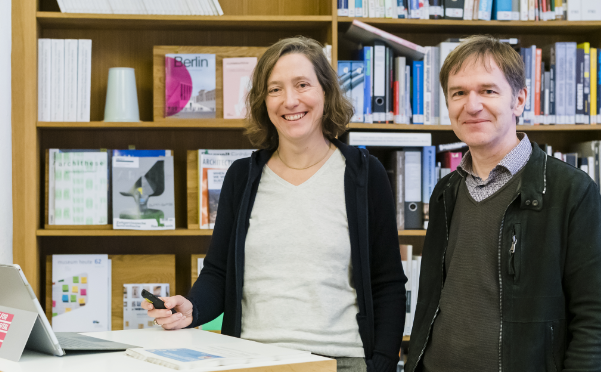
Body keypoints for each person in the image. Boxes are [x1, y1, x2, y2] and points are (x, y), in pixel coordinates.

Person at [142, 36, 407, 372]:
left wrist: (381, 364)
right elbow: (219, 272)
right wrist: (191, 307)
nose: (290, 100)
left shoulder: (364, 173)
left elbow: (387, 283)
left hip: (341, 361)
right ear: (263, 101)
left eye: (302, 85)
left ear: (326, 92)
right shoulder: (242, 176)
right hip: (250, 361)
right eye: (275, 89)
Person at [406, 35, 601, 371]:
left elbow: (599, 320)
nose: (472, 105)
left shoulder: (571, 191)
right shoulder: (445, 191)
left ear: (519, 99)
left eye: (488, 91)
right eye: (458, 93)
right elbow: (432, 299)